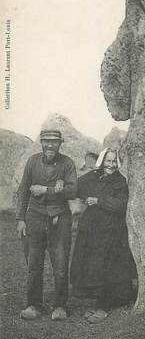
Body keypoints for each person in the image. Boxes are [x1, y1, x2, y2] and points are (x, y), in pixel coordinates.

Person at [16, 129, 77, 321]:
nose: (50, 145)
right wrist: (20, 219)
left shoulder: (68, 163)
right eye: (46, 141)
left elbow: (73, 190)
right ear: (41, 143)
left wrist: (47, 190)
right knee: (34, 264)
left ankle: (60, 306)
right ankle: (34, 304)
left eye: (54, 142)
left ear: (60, 143)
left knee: (60, 265)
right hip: (34, 218)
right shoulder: (33, 161)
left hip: (60, 219)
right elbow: (24, 190)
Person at [70, 148, 137, 322]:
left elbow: (121, 205)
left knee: (107, 267)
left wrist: (98, 201)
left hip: (111, 231)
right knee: (92, 266)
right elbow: (74, 188)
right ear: (102, 161)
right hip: (91, 230)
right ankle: (97, 302)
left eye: (115, 161)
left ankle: (104, 307)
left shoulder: (120, 181)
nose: (112, 165)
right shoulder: (91, 177)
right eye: (108, 161)